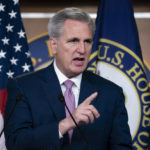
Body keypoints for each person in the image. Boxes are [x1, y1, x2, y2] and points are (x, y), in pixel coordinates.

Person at [4, 7, 133, 150]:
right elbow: (15, 143)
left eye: (87, 41)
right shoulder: (24, 88)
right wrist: (65, 125)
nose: (82, 50)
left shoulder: (111, 93)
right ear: (54, 45)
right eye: (73, 41)